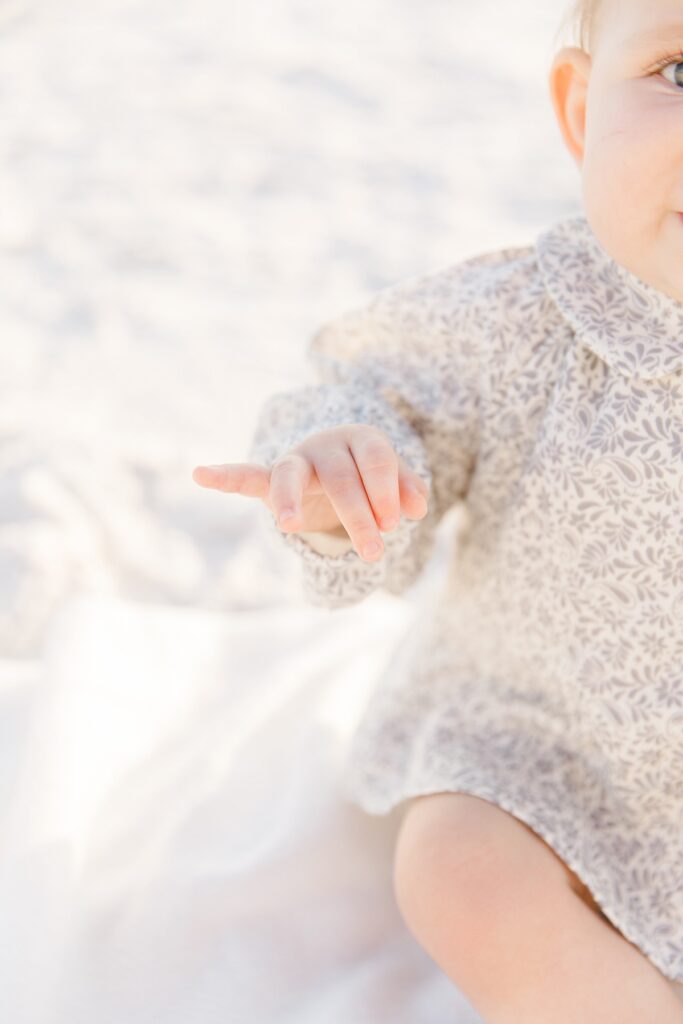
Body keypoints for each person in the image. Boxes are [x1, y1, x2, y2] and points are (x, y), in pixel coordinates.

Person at [192, 0, 683, 1019]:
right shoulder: (520, 323)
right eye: (678, 73)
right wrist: (347, 480)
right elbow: (383, 402)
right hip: (547, 758)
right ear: (580, 110)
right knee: (458, 868)